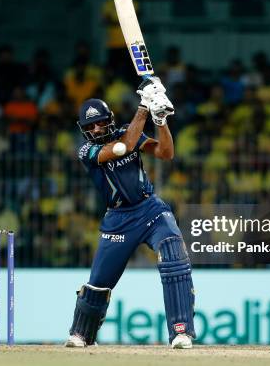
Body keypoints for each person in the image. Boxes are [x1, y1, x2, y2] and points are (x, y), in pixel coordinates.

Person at [64, 77, 196, 349]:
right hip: (118, 221)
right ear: (84, 130)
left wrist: (160, 120)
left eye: (101, 121)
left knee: (174, 254)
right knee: (99, 283)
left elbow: (165, 152)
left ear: (109, 119)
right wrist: (145, 107)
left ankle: (181, 331)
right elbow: (121, 148)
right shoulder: (87, 150)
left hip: (151, 210)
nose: (98, 128)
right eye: (91, 126)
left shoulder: (127, 130)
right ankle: (82, 334)